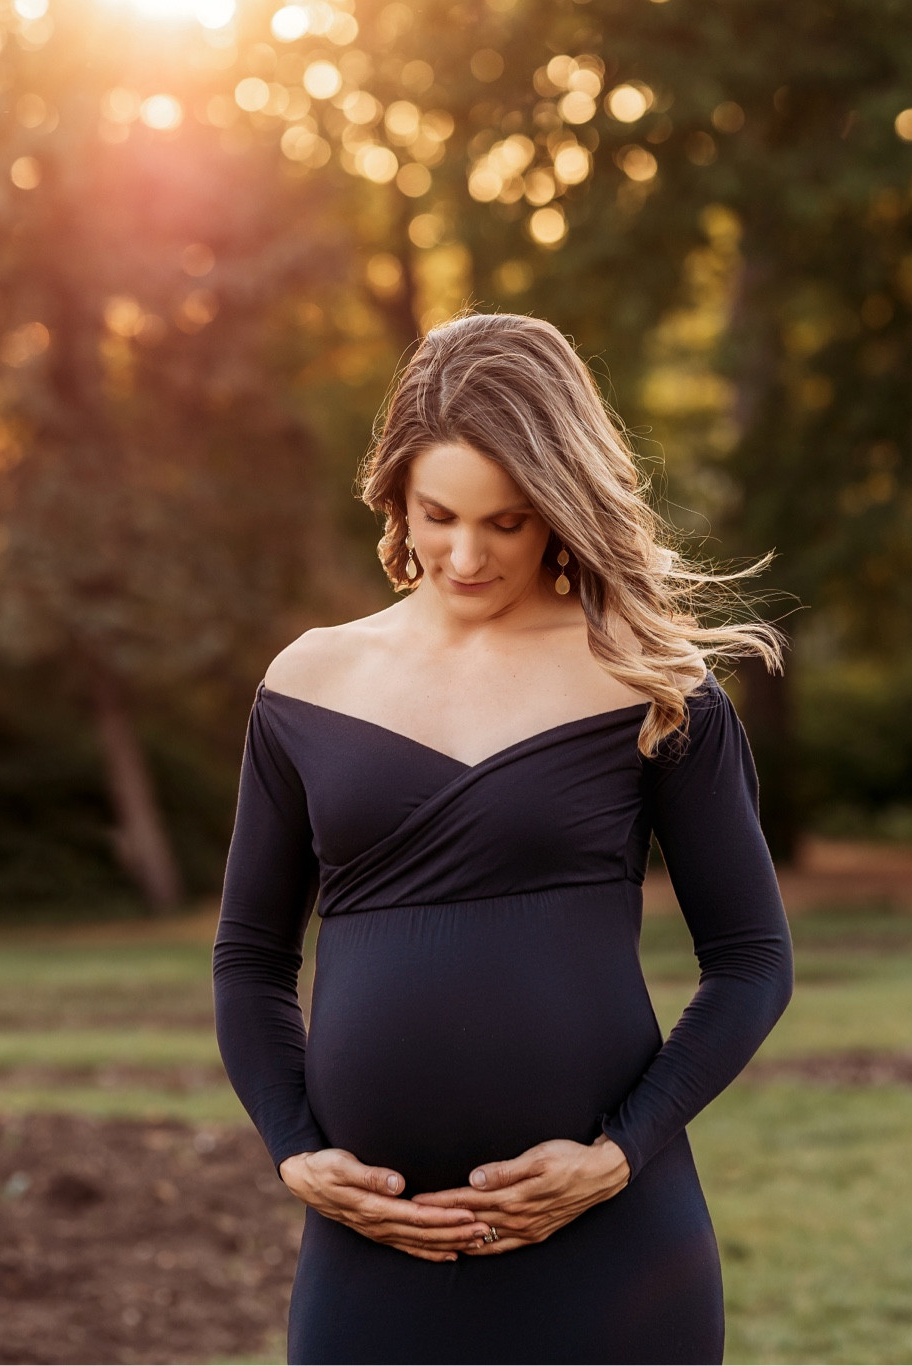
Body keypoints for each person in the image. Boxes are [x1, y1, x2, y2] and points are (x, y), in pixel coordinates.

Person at [212, 312, 795, 1364]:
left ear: (561, 509)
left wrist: (616, 1157)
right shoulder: (307, 683)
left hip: (610, 1247)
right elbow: (250, 957)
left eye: (508, 522)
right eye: (438, 515)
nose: (466, 555)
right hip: (374, 1248)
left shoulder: (650, 682)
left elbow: (752, 959)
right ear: (395, 495)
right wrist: (294, 1149)